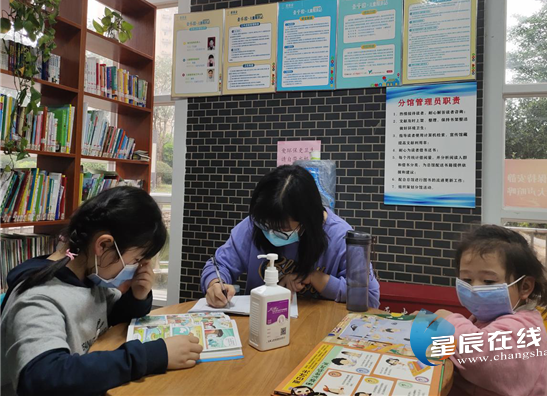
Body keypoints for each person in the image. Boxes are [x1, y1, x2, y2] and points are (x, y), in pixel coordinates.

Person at [1, 187, 203, 396]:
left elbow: (113, 317)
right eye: (135, 260)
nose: (137, 268)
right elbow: (43, 378)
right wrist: (151, 356)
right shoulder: (37, 299)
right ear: (104, 245)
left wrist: (137, 296)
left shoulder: (89, 277)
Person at [201, 165, 380, 308]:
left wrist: (315, 277)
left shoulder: (340, 236)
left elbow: (370, 298)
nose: (271, 232)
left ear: (307, 220)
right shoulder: (255, 224)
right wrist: (215, 284)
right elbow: (219, 264)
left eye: (282, 228)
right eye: (266, 225)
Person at [434, 225, 547, 396]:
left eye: (488, 281)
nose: (474, 288)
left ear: (525, 287)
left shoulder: (525, 329)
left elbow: (478, 355)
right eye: (466, 279)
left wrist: (447, 321)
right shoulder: (488, 316)